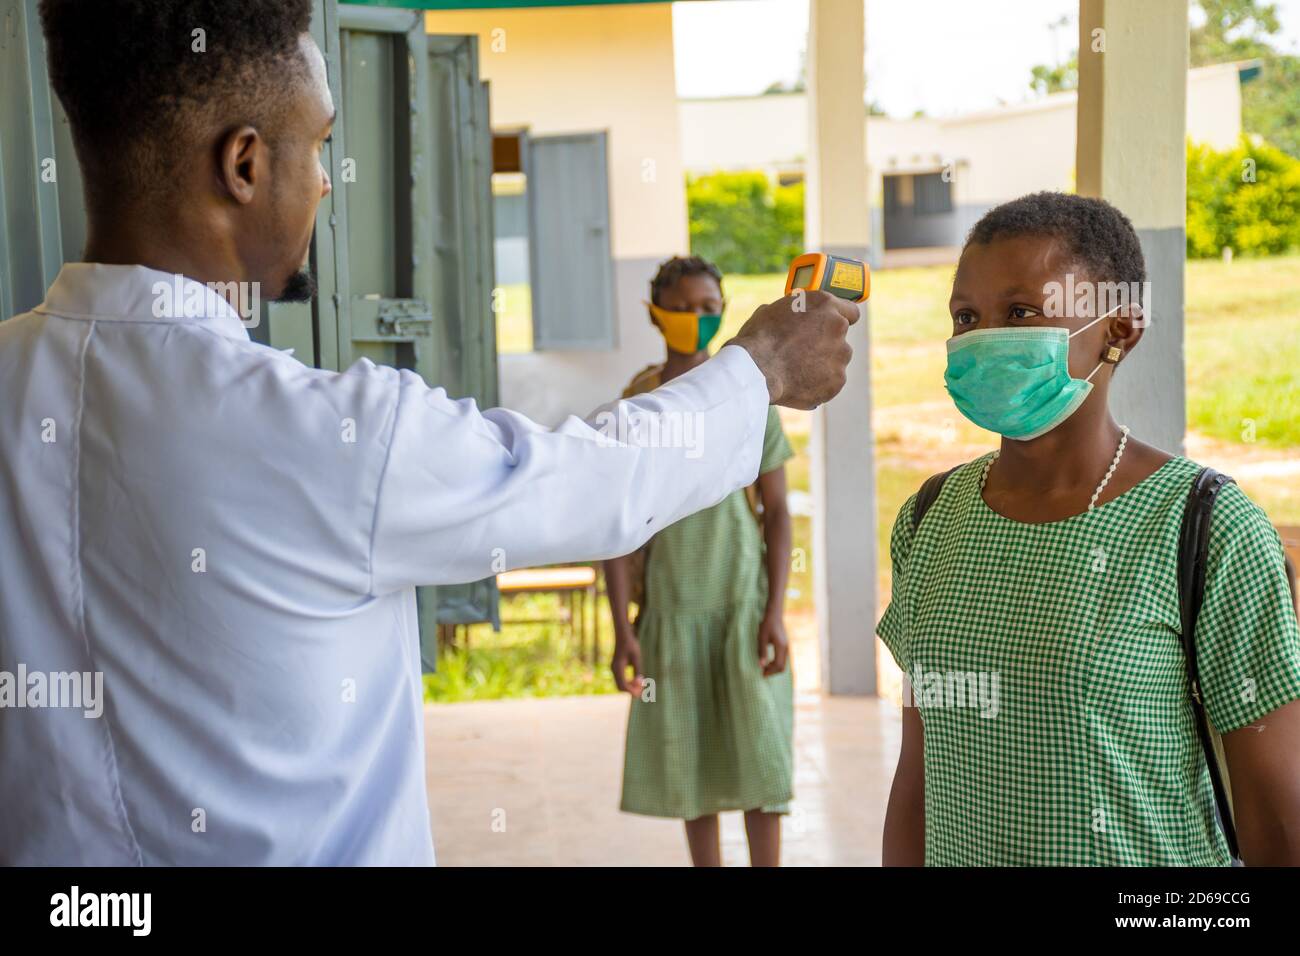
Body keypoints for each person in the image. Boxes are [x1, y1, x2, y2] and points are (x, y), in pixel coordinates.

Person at [0, 0, 856, 865]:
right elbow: (594, 481)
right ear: (246, 165)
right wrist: (763, 367)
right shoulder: (329, 437)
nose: (329, 181)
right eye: (321, 145)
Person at [880, 191, 1300, 866]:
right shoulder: (930, 518)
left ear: (1120, 330)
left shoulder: (1205, 528)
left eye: (1021, 312)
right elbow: (919, 776)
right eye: (966, 317)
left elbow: (1277, 817)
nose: (983, 338)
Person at [606, 257, 795, 867]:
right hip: (672, 611)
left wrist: (775, 613)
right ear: (654, 313)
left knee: (761, 762)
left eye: (710, 305)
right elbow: (615, 528)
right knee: (691, 771)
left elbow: (777, 512)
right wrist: (623, 628)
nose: (698, 318)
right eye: (683, 307)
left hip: (741, 608)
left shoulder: (747, 400)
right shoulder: (635, 406)